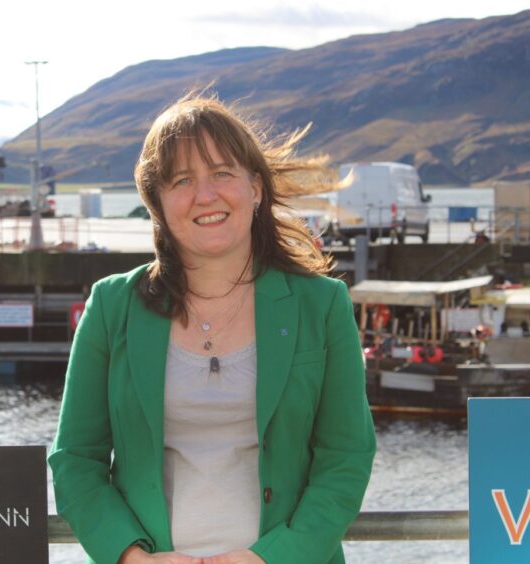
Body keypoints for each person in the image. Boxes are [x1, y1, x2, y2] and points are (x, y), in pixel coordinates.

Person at [49, 94, 376, 564]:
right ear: (157, 202)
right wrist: (131, 559)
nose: (205, 195)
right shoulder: (110, 306)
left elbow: (346, 459)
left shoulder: (321, 304)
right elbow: (75, 460)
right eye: (182, 180)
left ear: (256, 188)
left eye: (222, 173)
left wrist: (274, 558)